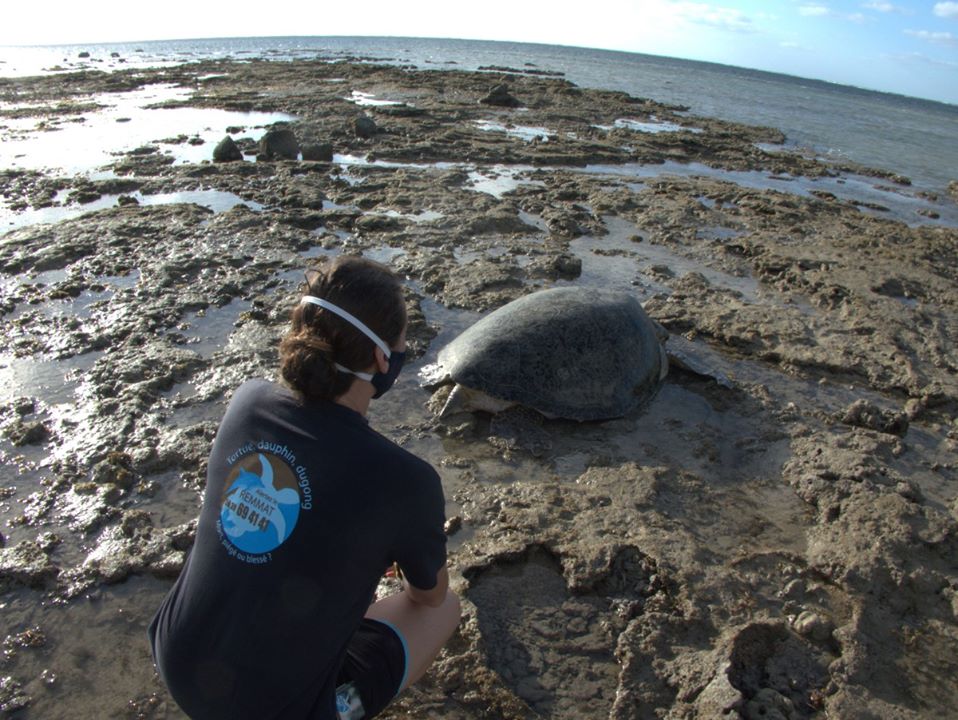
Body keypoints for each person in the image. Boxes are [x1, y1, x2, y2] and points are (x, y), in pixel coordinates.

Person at [149, 255, 461, 719]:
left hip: (175, 655)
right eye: (400, 341)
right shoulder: (405, 479)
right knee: (445, 610)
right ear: (382, 357)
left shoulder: (247, 401)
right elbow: (427, 596)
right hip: (274, 711)